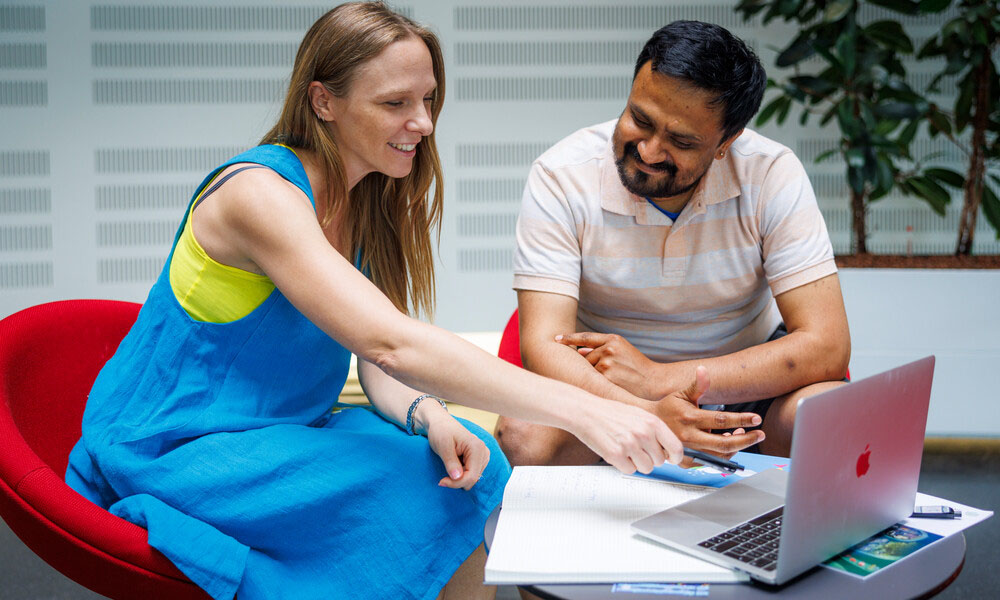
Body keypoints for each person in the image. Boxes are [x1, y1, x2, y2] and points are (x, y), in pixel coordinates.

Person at [64, 4, 685, 600]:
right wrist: (587, 412)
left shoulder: (361, 199)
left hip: (281, 431)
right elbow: (393, 341)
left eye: (428, 100)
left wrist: (428, 416)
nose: (424, 123)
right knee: (406, 486)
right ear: (323, 101)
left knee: (476, 462)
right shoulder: (259, 196)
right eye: (395, 104)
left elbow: (379, 360)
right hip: (177, 446)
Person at [496, 20, 851, 468]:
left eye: (681, 141)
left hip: (746, 394)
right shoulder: (561, 176)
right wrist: (643, 407)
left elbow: (827, 345)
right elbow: (543, 345)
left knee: (827, 419)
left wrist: (657, 378)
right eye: (639, 119)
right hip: (608, 394)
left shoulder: (770, 173)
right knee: (523, 435)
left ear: (727, 141)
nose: (648, 150)